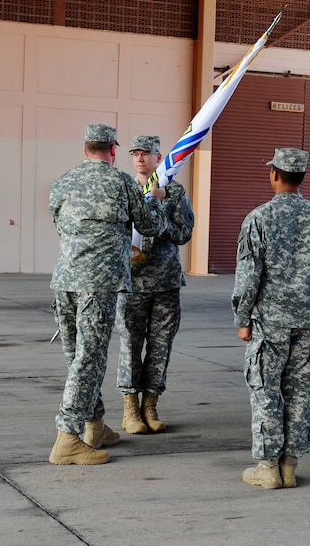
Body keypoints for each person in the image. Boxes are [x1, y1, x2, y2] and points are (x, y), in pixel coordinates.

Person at [48, 123, 167, 465]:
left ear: (85, 149)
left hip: (65, 280)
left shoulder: (63, 182)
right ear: (113, 150)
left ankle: (94, 424)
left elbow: (58, 221)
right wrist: (156, 201)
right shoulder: (121, 182)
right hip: (97, 285)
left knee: (77, 357)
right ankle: (67, 438)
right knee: (90, 359)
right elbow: (150, 226)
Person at [232, 147, 310, 489]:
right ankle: (290, 464)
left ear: (275, 174)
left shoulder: (259, 218)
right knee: (300, 392)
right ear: (302, 178)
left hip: (270, 321)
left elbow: (248, 276)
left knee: (266, 390)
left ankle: (267, 467)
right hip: (309, 320)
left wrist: (243, 318)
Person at [116, 135, 195, 434]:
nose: (139, 158)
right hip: (132, 281)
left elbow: (183, 232)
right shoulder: (125, 189)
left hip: (164, 281)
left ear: (159, 157)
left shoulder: (173, 191)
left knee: (161, 346)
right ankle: (130, 410)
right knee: (130, 346)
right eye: (135, 153)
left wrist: (158, 207)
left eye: (146, 153)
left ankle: (151, 405)